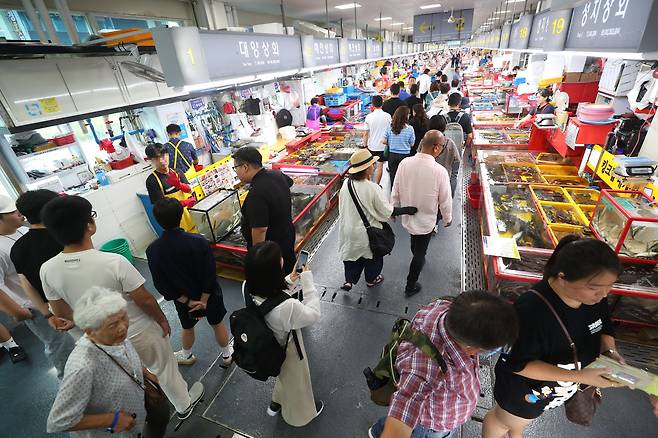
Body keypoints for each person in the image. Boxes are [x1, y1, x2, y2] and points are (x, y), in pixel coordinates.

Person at [40, 195, 204, 420]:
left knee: (128, 377)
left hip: (102, 342)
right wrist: (161, 319)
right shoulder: (113, 262)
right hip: (138, 330)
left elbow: (61, 313)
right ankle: (184, 404)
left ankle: (143, 413)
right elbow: (144, 299)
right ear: (89, 225)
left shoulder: (47, 269)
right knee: (164, 367)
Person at [482, 236, 632, 438]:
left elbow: (605, 326)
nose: (604, 295)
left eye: (610, 286)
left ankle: (516, 431)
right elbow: (518, 364)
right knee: (501, 420)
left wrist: (610, 352)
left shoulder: (594, 298)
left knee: (520, 421)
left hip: (555, 388)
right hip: (526, 391)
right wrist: (579, 377)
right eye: (595, 288)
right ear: (562, 277)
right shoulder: (530, 312)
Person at [369, 290, 519, 438]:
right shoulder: (427, 368)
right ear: (472, 348)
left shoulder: (447, 308)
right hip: (429, 427)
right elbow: (402, 413)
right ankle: (377, 432)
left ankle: (378, 430)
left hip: (442, 414)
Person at [47, 288, 154, 437]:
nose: (123, 327)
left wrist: (145, 373)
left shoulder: (114, 339)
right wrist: (111, 419)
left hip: (135, 421)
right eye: (113, 325)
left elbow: (123, 359)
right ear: (90, 331)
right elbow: (58, 421)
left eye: (124, 317)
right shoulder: (82, 367)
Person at [147, 198, 234, 367]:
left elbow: (161, 284)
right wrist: (203, 300)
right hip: (210, 296)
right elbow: (210, 273)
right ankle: (226, 355)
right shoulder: (199, 241)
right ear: (181, 215)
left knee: (187, 327)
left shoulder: (153, 250)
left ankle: (186, 355)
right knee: (217, 324)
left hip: (184, 300)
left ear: (157, 220)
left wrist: (188, 301)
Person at [245, 241, 323, 427]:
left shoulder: (248, 286)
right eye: (278, 260)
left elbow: (269, 296)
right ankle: (299, 416)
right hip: (288, 350)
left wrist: (291, 278)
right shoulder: (287, 308)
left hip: (269, 346)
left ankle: (276, 401)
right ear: (272, 273)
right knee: (297, 382)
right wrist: (307, 280)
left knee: (284, 376)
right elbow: (313, 314)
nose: (282, 260)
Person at [4, 191, 75, 377]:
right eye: (12, 212)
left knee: (75, 342)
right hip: (35, 307)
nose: (19, 213)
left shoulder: (23, 232)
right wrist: (18, 311)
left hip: (54, 300)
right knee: (61, 348)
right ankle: (69, 386)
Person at [338, 150, 417, 291]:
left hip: (348, 230)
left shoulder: (346, 184)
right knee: (372, 257)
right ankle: (372, 279)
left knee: (352, 256)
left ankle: (349, 280)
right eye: (372, 164)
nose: (374, 166)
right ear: (368, 168)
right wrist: (408, 210)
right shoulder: (373, 188)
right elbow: (387, 211)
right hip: (367, 233)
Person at [391, 130, 453, 297]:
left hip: (408, 216)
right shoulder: (439, 171)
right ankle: (410, 285)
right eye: (442, 146)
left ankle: (417, 259)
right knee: (420, 253)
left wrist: (393, 208)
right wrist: (448, 217)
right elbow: (445, 199)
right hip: (426, 219)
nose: (441, 149)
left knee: (414, 240)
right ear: (435, 147)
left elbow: (395, 187)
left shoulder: (405, 163)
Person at [232, 146, 297, 274]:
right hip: (287, 236)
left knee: (275, 282)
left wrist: (258, 257)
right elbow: (290, 182)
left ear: (245, 167)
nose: (236, 172)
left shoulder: (256, 194)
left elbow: (260, 229)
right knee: (290, 275)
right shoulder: (276, 174)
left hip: (271, 250)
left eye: (235, 168)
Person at [144, 143, 196, 232]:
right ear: (151, 160)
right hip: (175, 222)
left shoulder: (177, 171)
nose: (161, 161)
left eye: (163, 156)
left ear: (168, 155)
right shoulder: (152, 181)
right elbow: (163, 208)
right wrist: (184, 203)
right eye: (156, 158)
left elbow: (190, 189)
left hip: (189, 214)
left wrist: (179, 185)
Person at [429, 115, 462, 197]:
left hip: (430, 179)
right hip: (446, 179)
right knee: (453, 178)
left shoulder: (425, 142)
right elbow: (457, 161)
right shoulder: (449, 143)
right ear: (444, 127)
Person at [382, 106, 415, 186]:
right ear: (405, 116)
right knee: (404, 178)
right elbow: (412, 144)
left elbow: (383, 141)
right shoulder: (410, 129)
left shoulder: (390, 127)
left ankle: (393, 195)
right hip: (405, 156)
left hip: (392, 155)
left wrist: (391, 143)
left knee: (393, 177)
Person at [363, 95, 392, 184]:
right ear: (382, 104)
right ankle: (377, 184)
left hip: (372, 146)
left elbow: (366, 133)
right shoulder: (388, 116)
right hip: (383, 146)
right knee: (380, 166)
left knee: (369, 165)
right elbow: (390, 131)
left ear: (372, 105)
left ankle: (369, 184)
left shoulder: (369, 117)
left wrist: (365, 145)